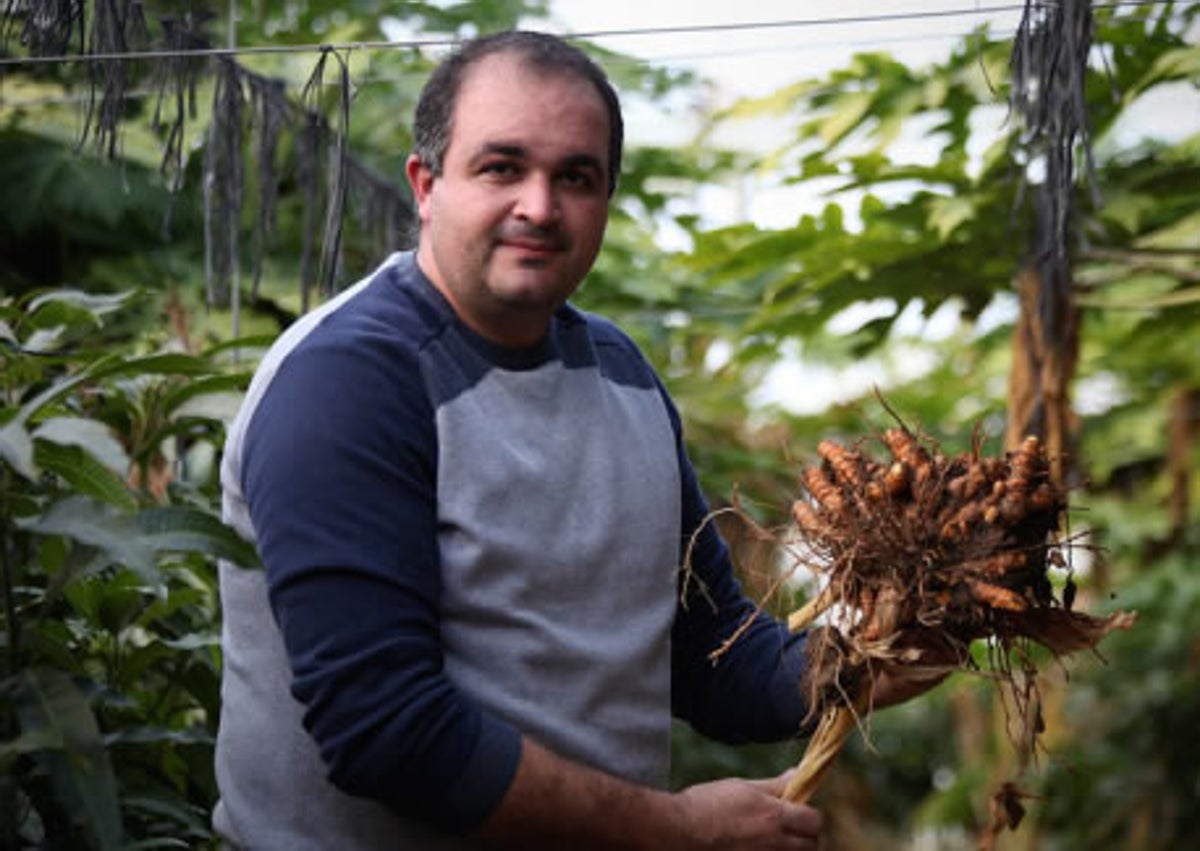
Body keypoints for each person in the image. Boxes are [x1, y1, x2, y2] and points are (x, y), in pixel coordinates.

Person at [213, 29, 931, 850]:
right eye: (501, 167)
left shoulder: (622, 377)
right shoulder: (350, 380)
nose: (540, 207)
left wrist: (876, 655)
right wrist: (678, 828)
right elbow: (385, 729)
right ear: (426, 182)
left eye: (576, 178)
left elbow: (713, 659)